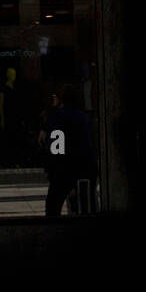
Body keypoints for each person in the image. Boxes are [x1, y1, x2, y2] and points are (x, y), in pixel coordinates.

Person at [41, 84, 97, 218]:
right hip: (87, 167)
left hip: (65, 169)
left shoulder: (59, 116)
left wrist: (51, 171)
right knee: (87, 206)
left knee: (53, 207)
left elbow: (57, 149)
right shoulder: (83, 117)